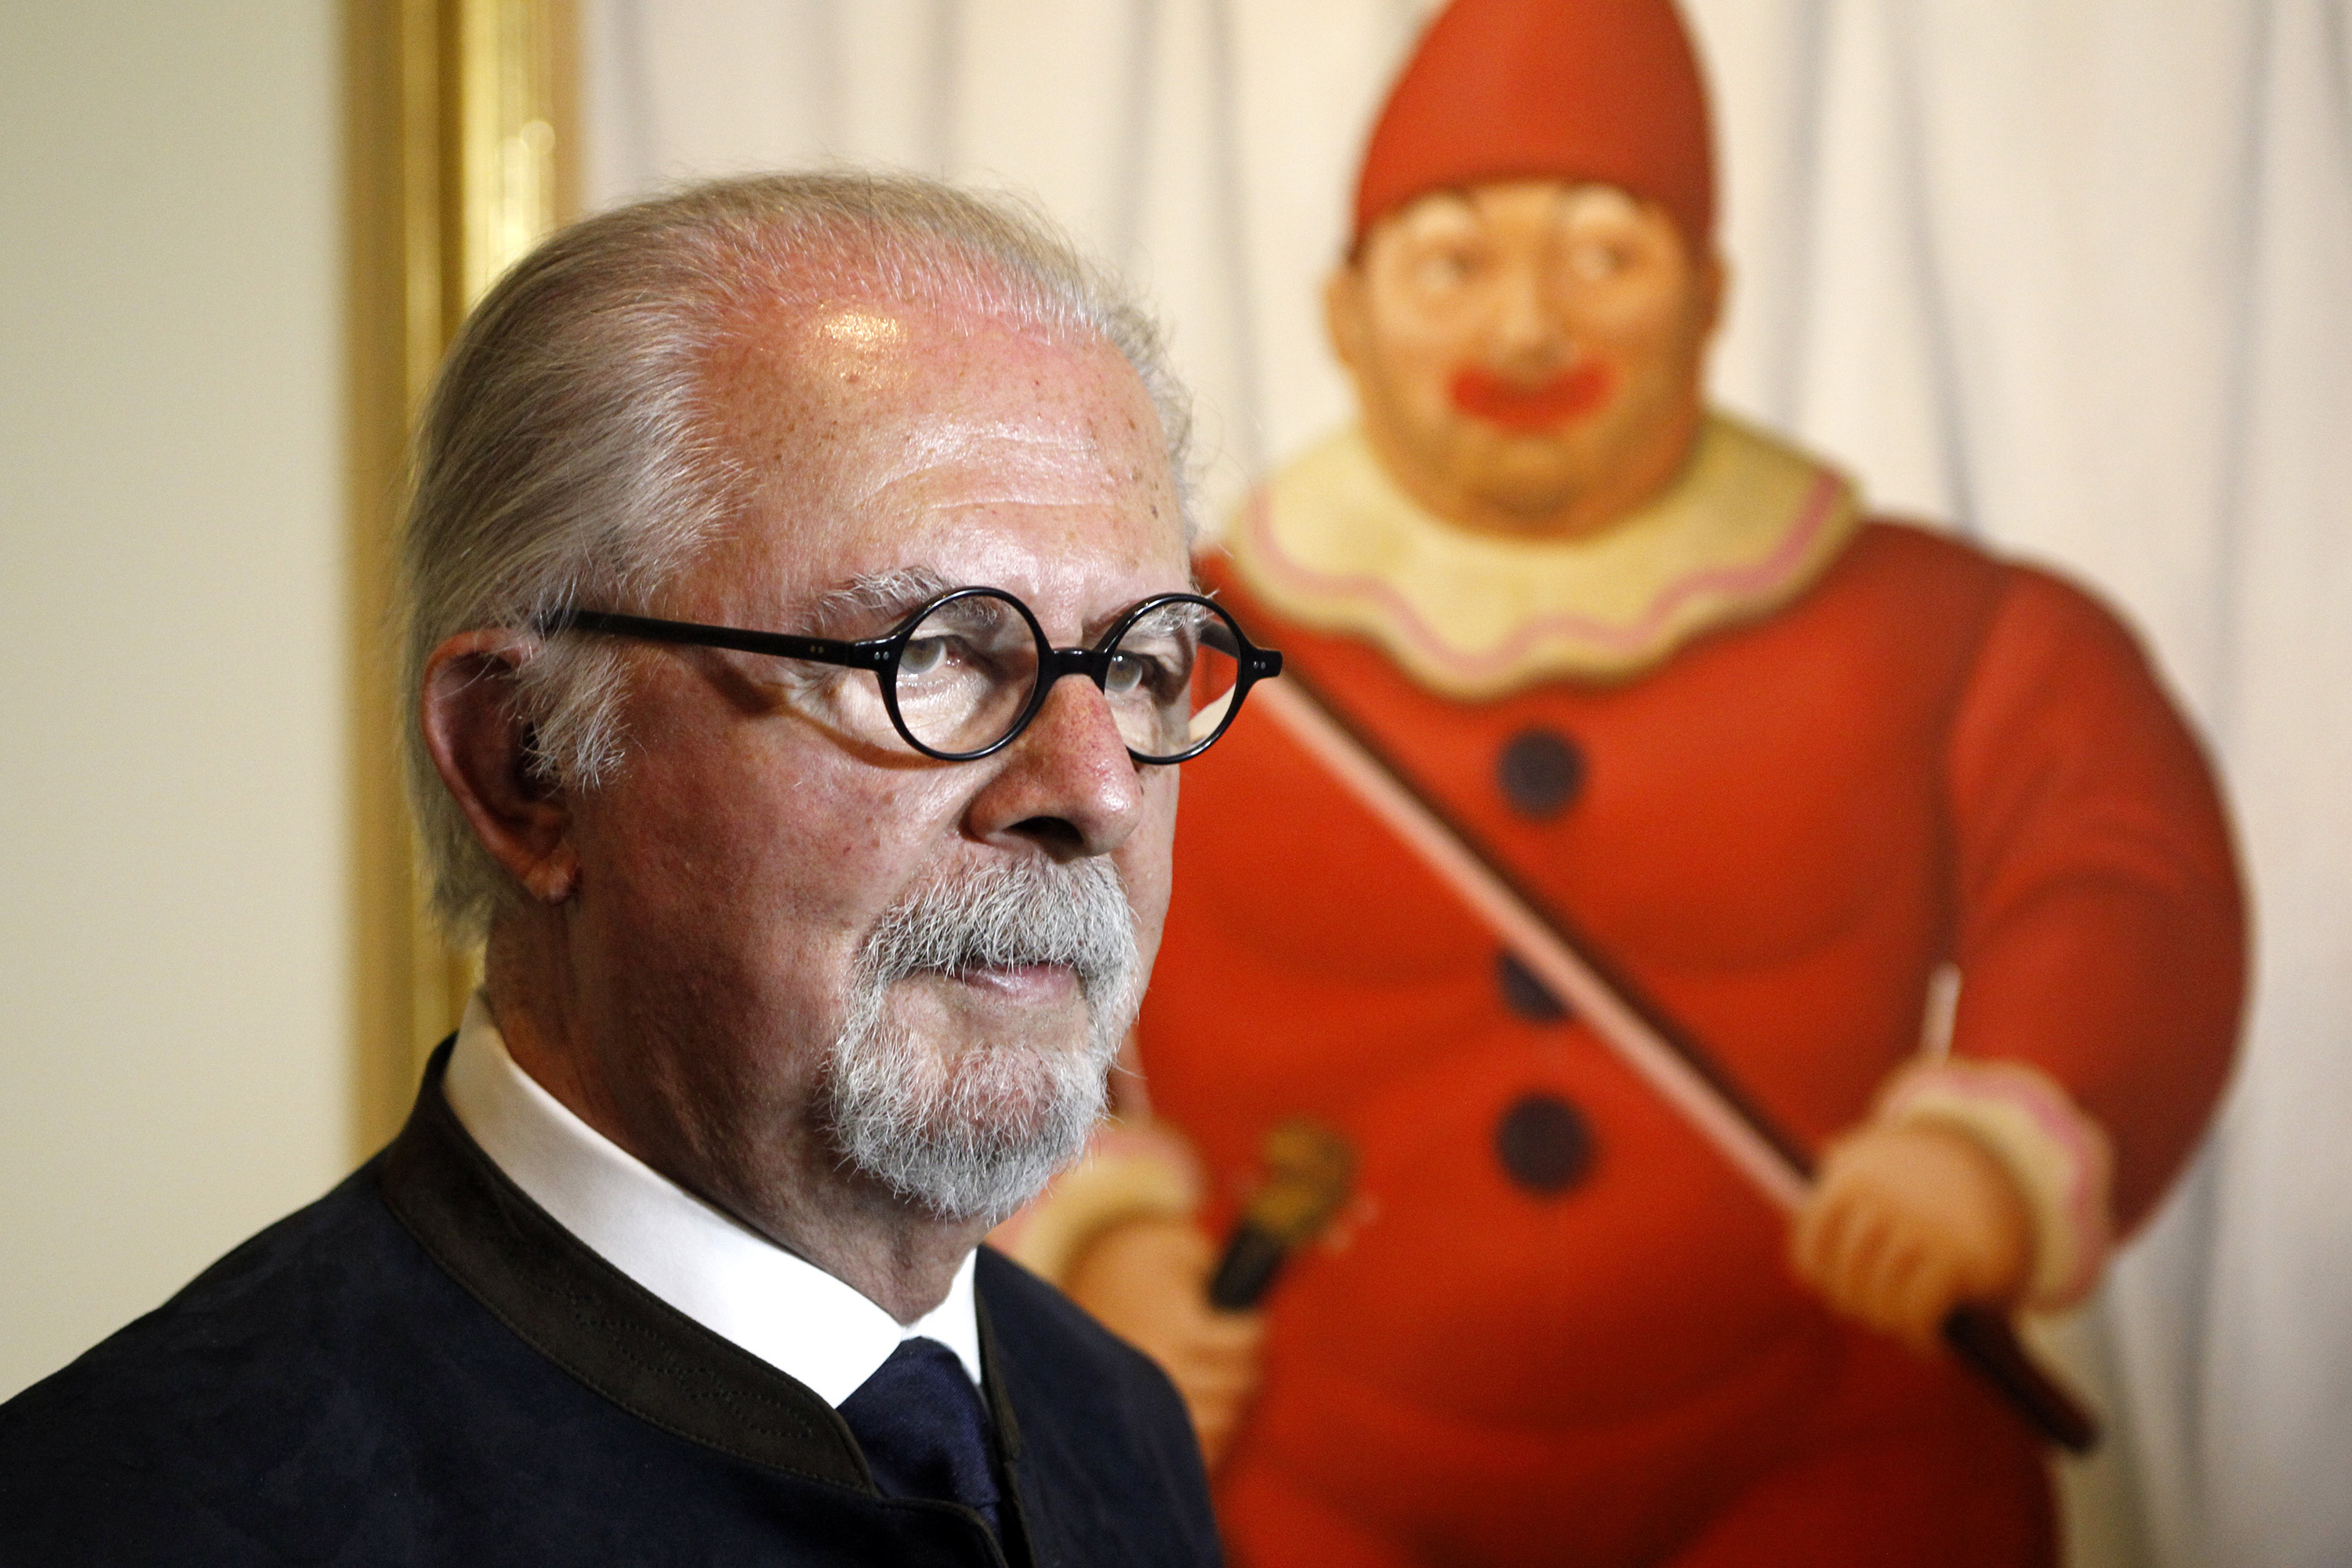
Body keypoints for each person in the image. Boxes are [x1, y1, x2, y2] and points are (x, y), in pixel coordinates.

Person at [994, 2, 2245, 1564]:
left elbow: (2121, 876)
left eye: (1605, 255)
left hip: (1823, 1462)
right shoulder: (1167, 644)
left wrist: (1992, 1148)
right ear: (1347, 309)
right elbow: (994, 926)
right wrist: (1095, 1238)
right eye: (1452, 262)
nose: (1528, 329)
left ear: (1713, 294)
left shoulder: (1948, 629)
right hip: (1318, 1484)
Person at [0, 172, 1271, 1565]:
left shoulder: (1120, 1425)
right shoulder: (125, 1518)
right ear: (524, 764)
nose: (1094, 789)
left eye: (1144, 665)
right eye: (937, 654)